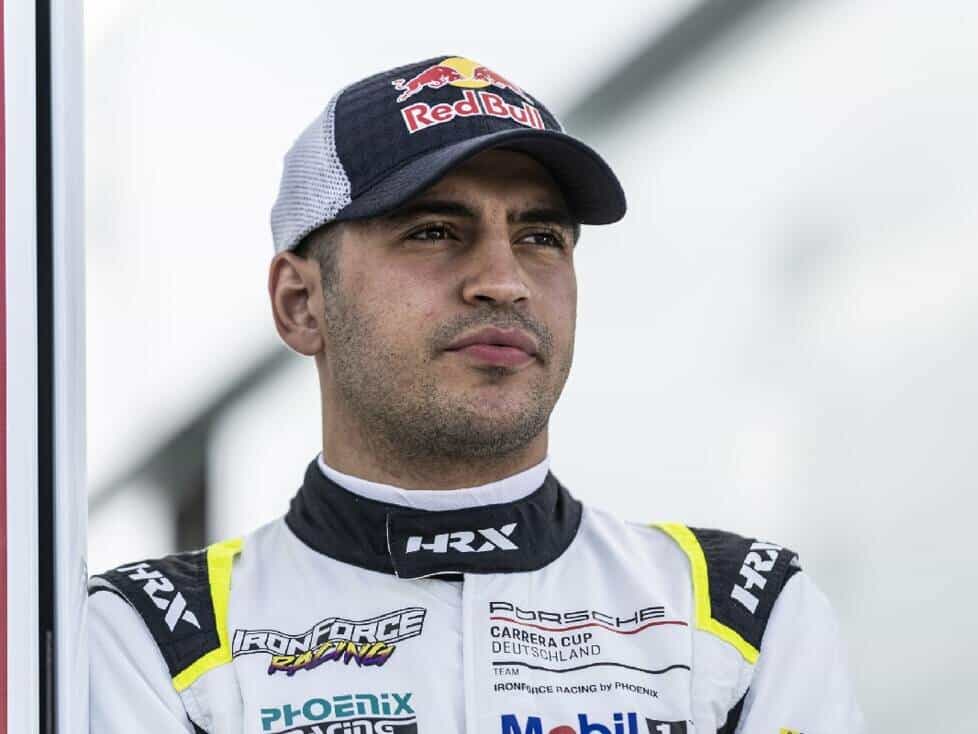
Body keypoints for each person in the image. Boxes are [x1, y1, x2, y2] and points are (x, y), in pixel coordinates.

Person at [88, 55, 864, 734]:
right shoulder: (154, 637)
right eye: (434, 231)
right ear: (301, 304)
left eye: (541, 237)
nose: (503, 281)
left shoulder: (741, 614)